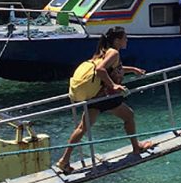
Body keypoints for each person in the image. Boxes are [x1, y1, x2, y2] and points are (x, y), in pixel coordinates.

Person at [56, 26, 152, 174]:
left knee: (82, 128)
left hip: (95, 97)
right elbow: (100, 70)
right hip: (106, 97)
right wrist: (114, 85)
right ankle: (136, 147)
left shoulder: (102, 52)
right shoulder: (113, 52)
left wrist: (132, 69)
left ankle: (64, 160)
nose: (127, 40)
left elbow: (113, 68)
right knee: (129, 116)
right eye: (125, 38)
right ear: (117, 40)